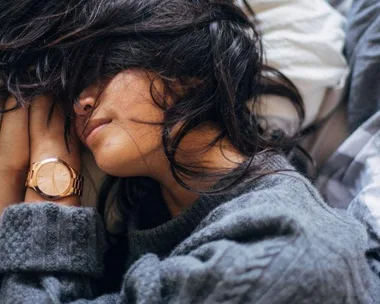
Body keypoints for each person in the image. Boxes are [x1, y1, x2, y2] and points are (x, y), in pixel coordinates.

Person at [0, 0, 378, 303]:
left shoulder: (274, 259)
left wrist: (43, 176)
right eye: (72, 94)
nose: (81, 103)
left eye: (102, 69)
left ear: (188, 62)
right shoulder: (153, 214)